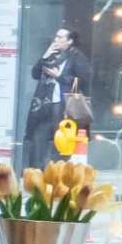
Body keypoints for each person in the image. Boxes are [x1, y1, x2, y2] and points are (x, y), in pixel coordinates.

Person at [20, 27, 92, 166]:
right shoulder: (52, 55)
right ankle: (36, 170)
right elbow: (35, 74)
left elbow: (83, 81)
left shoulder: (77, 57)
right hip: (44, 104)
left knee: (63, 141)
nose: (56, 39)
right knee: (38, 138)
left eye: (60, 37)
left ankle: (60, 171)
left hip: (65, 106)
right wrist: (45, 56)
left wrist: (58, 76)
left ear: (70, 41)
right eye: (56, 36)